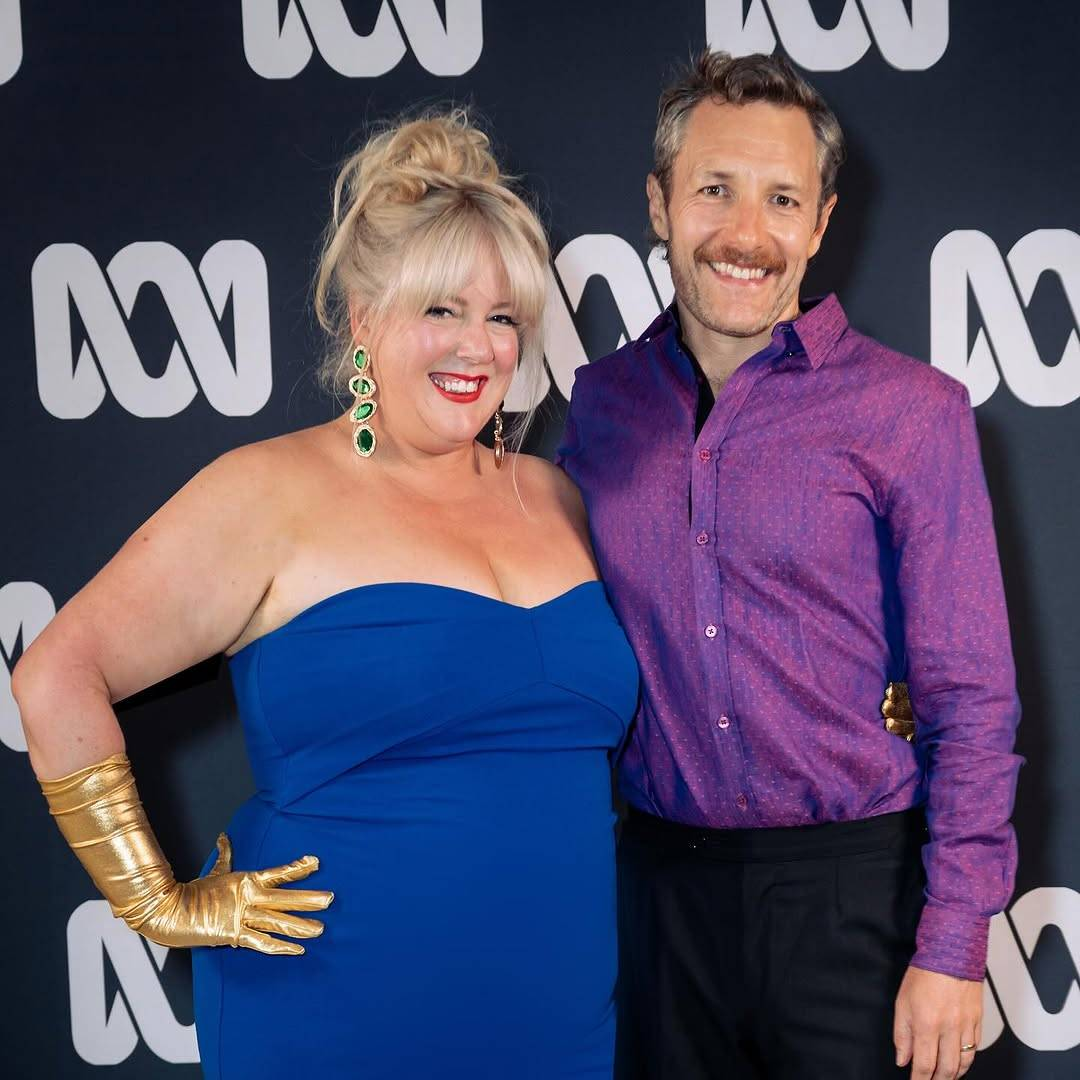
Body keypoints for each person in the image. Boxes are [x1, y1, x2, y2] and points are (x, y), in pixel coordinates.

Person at [14, 110, 638, 1079]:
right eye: (441, 309)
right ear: (362, 319)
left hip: (554, 1010)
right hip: (335, 1005)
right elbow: (58, 673)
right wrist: (153, 901)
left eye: (503, 316)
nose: (478, 346)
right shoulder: (266, 491)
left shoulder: (554, 496)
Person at [557, 52, 1022, 1080]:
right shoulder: (596, 408)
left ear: (818, 223)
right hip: (658, 901)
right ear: (659, 202)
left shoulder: (913, 414)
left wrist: (952, 944)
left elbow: (973, 698)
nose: (744, 233)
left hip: (859, 903)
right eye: (714, 190)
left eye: (781, 200)